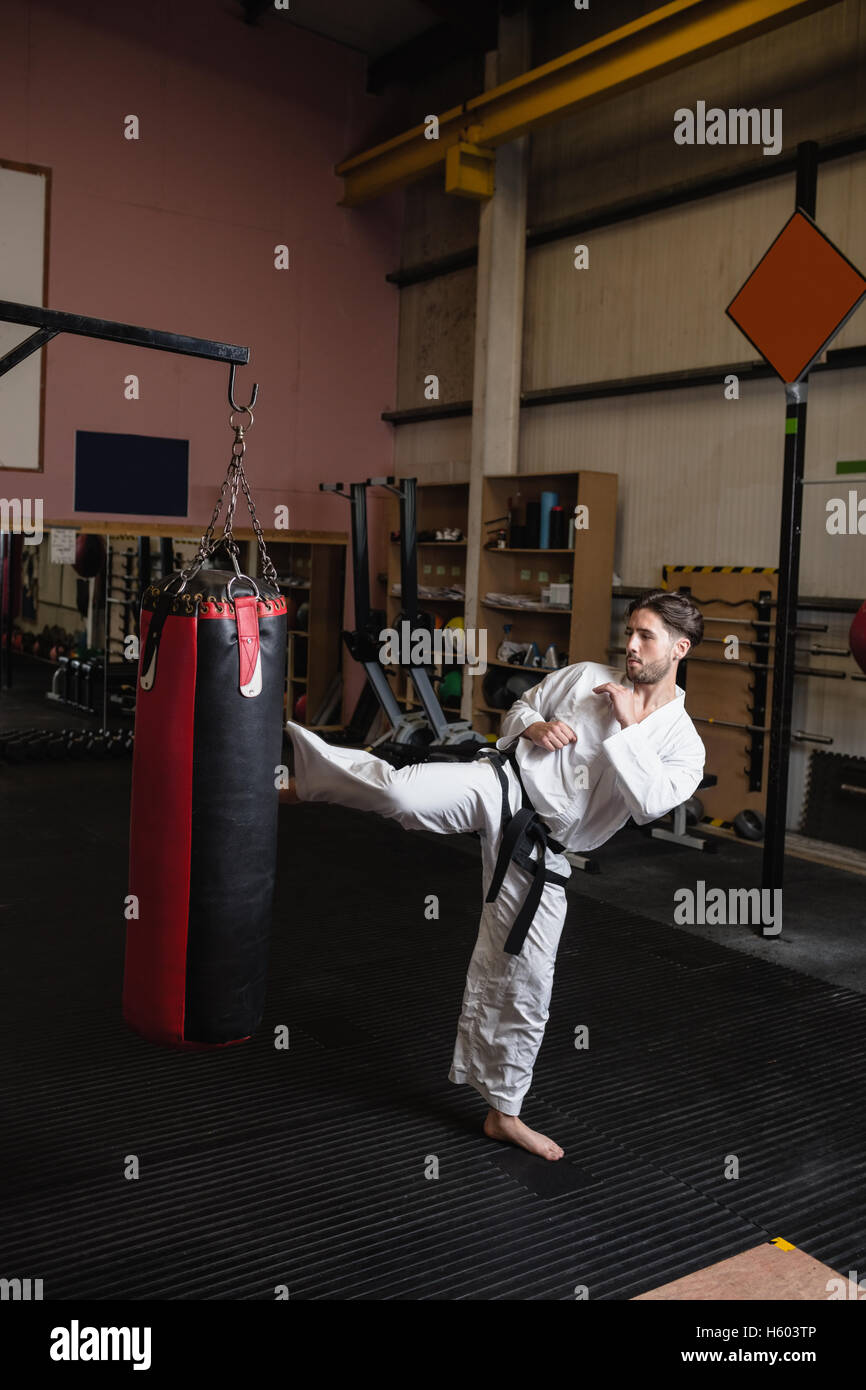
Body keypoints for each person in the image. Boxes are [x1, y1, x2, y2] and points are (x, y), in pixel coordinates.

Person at [280, 588, 706, 1161]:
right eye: (629, 631)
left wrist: (628, 729)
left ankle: (503, 1114)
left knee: (527, 980)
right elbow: (521, 707)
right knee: (403, 795)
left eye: (645, 636)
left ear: (679, 648)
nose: (630, 645)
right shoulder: (584, 677)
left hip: (545, 848)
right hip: (499, 785)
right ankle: (304, 780)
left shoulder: (684, 742)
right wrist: (531, 728)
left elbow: (652, 803)